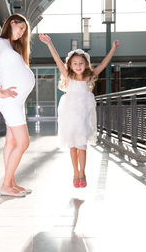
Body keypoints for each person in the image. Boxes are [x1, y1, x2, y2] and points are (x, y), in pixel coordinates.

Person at [39, 33, 119, 188]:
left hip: (83, 113)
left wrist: (113, 49)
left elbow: (103, 64)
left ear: (86, 64)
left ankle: (83, 172)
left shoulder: (89, 76)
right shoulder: (68, 76)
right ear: (70, 65)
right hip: (70, 113)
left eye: (81, 63)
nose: (78, 65)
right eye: (74, 63)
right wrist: (49, 43)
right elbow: (56, 60)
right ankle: (75, 172)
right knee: (73, 146)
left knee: (82, 145)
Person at [0, 14, 35, 197]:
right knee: (23, 142)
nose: (21, 34)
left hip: (15, 102)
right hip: (10, 101)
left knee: (11, 142)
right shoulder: (1, 43)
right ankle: (6, 185)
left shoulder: (9, 47)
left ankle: (12, 182)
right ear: (12, 22)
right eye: (21, 29)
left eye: (24, 32)